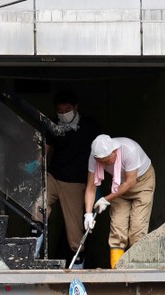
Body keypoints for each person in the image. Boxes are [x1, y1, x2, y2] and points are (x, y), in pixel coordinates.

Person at [39, 90, 101, 268]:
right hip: (53, 176)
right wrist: (35, 163)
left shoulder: (89, 126)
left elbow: (101, 154)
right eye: (60, 110)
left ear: (75, 108)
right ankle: (32, 252)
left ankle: (77, 267)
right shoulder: (53, 126)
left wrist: (98, 182)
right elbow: (45, 149)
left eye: (67, 109)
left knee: (75, 231)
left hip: (76, 182)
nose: (63, 114)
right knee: (37, 208)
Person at [84, 134, 156, 269]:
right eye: (102, 162)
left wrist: (106, 199)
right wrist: (88, 214)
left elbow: (130, 182)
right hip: (118, 184)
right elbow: (91, 187)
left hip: (142, 182)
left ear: (115, 150)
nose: (105, 164)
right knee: (117, 228)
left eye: (107, 160)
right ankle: (117, 272)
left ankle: (137, 273)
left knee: (137, 230)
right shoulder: (94, 159)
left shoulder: (129, 150)